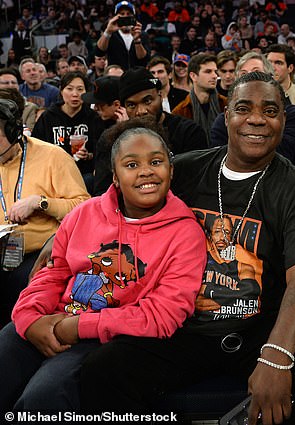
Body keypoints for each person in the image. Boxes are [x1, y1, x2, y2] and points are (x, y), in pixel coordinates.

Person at [80, 71, 295, 424]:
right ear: (227, 117)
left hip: (256, 329)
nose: (257, 118)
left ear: (284, 120)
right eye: (244, 108)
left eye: (270, 110)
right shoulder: (186, 169)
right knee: (102, 373)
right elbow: (118, 203)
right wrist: (63, 237)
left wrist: (277, 355)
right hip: (180, 327)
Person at [0, 120, 206, 411]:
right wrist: (29, 318)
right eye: (131, 165)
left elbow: (164, 315)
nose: (146, 171)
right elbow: (53, 273)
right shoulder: (84, 213)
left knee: (42, 399)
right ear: (116, 178)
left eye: (156, 161)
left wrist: (78, 327)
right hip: (49, 319)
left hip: (98, 337)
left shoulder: (185, 232)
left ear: (171, 170)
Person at [0, 97, 89, 326]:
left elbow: (83, 207)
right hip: (3, 251)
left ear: (13, 132)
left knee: (22, 285)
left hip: (40, 253)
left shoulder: (53, 156)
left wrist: (40, 203)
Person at [92, 67, 207, 196]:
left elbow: (198, 187)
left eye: (147, 101)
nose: (141, 111)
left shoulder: (189, 132)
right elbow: (102, 192)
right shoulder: (110, 140)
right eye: (132, 105)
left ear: (161, 95)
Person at [209, 52, 295, 170]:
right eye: (243, 74)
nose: (249, 79)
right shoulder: (223, 121)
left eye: (256, 73)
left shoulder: (293, 116)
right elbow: (220, 161)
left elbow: (290, 155)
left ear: (271, 78)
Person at [31, 72, 103, 193]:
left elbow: (101, 151)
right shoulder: (48, 117)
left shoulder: (93, 117)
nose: (75, 94)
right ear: (61, 91)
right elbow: (36, 147)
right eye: (69, 89)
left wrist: (88, 155)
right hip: (54, 173)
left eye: (80, 89)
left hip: (83, 174)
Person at [172, 53, 221, 146]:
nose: (214, 76)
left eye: (215, 71)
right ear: (193, 76)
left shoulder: (226, 104)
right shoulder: (180, 112)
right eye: (208, 71)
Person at [95, 1, 150, 71]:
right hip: (116, 77)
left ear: (133, 16)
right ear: (116, 17)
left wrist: (137, 40)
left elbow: (144, 59)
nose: (125, 16)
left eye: (128, 13)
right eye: (122, 14)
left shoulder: (142, 34)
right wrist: (107, 31)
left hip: (137, 76)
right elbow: (99, 52)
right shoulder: (110, 34)